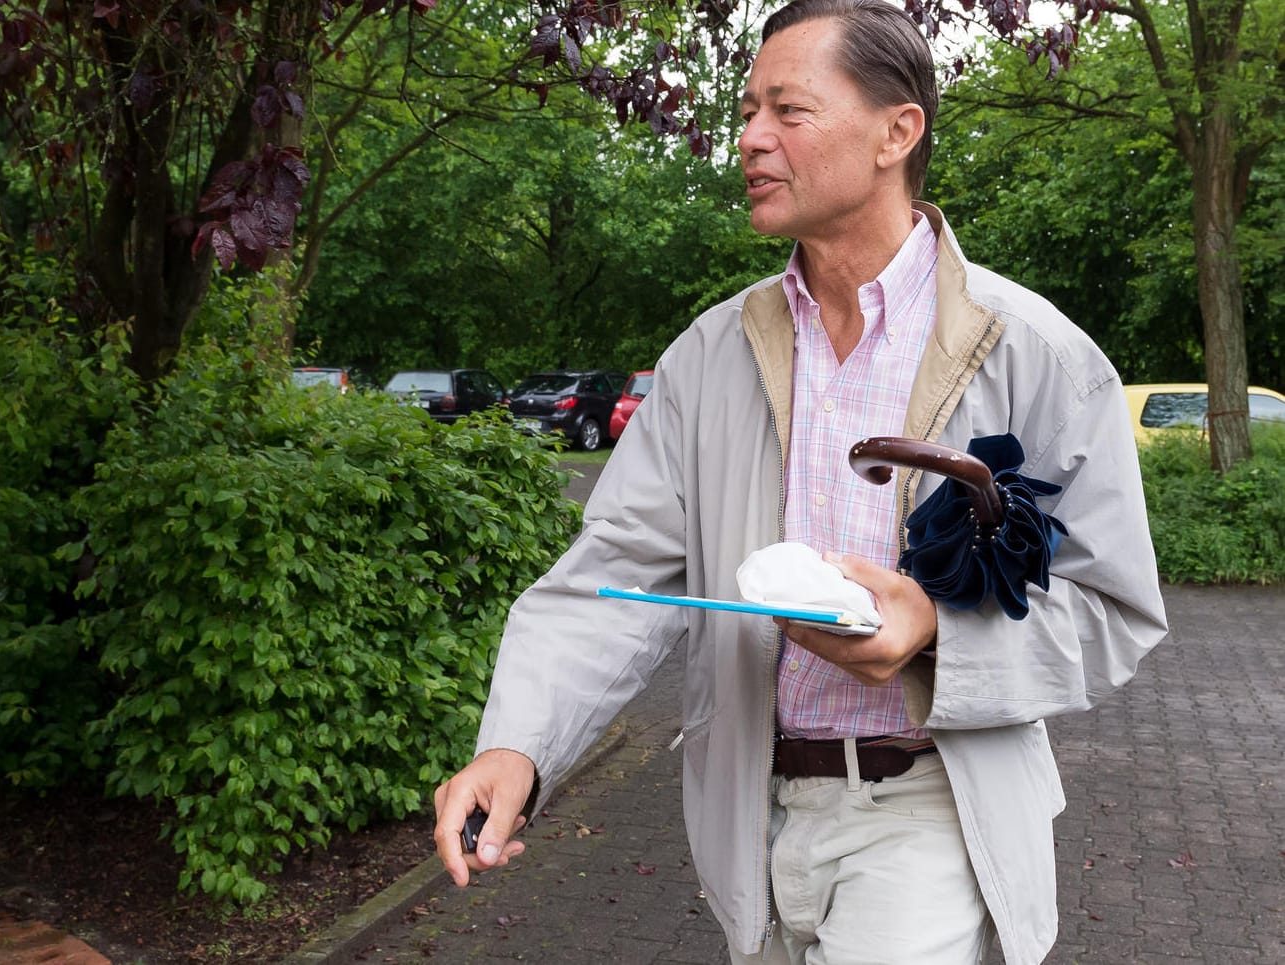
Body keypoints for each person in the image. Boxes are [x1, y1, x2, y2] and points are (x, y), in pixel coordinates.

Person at [432, 1, 1169, 962]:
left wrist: (937, 632)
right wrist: (517, 743)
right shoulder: (707, 356)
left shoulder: (1037, 355)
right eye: (746, 111)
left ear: (895, 132)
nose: (749, 139)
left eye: (788, 110)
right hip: (750, 814)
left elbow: (1115, 610)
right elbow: (613, 574)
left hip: (932, 808)